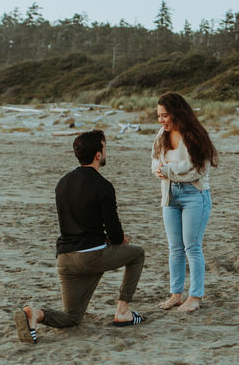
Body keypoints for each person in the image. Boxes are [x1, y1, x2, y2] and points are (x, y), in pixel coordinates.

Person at [14, 129, 145, 343]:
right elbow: (114, 230)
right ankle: (123, 312)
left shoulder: (62, 183)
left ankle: (34, 314)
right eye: (104, 147)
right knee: (137, 254)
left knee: (73, 317)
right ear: (98, 154)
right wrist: (119, 240)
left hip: (65, 259)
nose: (105, 151)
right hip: (91, 257)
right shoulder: (104, 186)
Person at [151, 92, 218, 313]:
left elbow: (195, 170)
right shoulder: (162, 134)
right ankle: (176, 294)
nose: (161, 120)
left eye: (165, 115)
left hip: (194, 195)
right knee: (175, 248)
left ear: (177, 113)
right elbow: (154, 163)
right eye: (159, 115)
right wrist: (163, 172)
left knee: (192, 247)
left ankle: (195, 296)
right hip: (169, 195)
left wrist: (169, 171)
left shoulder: (194, 135)